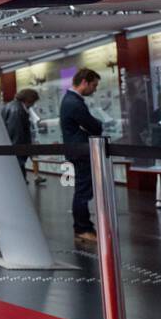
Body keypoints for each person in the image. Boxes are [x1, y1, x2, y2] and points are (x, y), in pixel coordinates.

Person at [60, 67, 103, 247]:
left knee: (82, 190)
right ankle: (83, 228)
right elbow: (93, 126)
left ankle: (83, 227)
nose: (95, 89)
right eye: (93, 85)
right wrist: (97, 124)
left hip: (77, 151)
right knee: (83, 192)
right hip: (81, 152)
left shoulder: (70, 100)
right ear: (84, 82)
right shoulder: (74, 102)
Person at [2, 88, 39, 182]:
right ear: (29, 100)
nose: (33, 105)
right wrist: (22, 154)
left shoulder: (9, 106)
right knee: (18, 180)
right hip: (16, 154)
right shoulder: (18, 111)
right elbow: (17, 134)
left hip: (11, 152)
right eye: (33, 102)